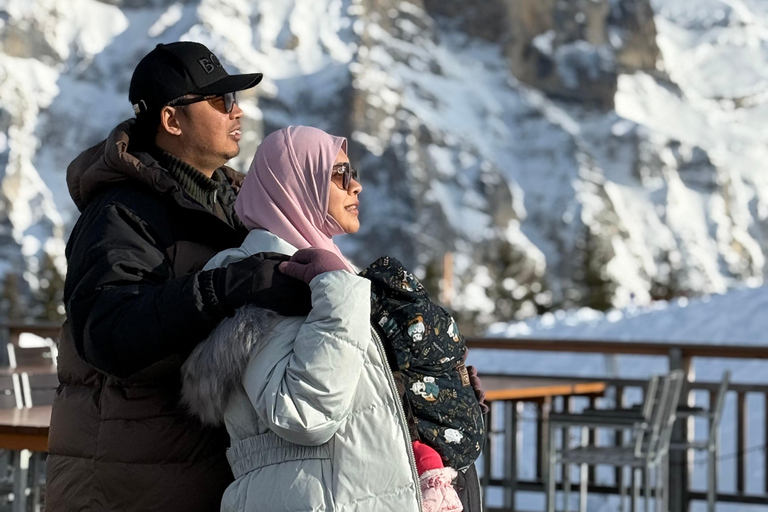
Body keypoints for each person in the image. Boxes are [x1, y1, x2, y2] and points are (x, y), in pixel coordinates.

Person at [46, 42, 313, 512]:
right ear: (172, 120)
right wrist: (229, 286)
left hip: (201, 473)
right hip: (129, 484)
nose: (238, 111)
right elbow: (107, 333)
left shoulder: (233, 206)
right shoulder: (121, 213)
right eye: (220, 101)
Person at [181, 126, 484, 512]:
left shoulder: (325, 272)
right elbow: (305, 414)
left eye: (353, 172)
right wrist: (337, 288)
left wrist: (439, 395)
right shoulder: (254, 282)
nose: (355, 186)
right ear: (295, 181)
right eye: (339, 173)